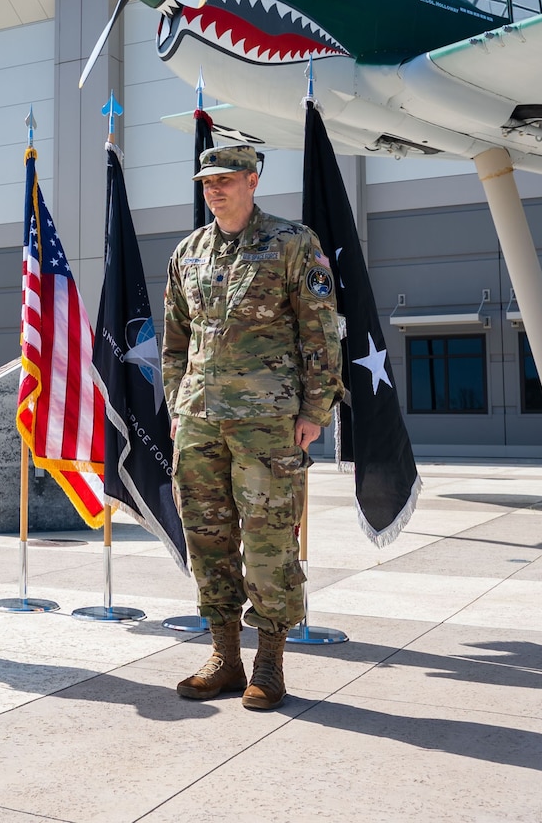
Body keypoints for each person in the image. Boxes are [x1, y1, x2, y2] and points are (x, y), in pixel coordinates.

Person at [162, 145, 340, 709]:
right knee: (207, 539)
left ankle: (269, 662)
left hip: (267, 422)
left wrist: (315, 410)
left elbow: (321, 333)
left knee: (268, 542)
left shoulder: (292, 242)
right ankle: (224, 656)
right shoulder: (188, 252)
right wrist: (177, 402)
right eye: (206, 181)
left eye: (225, 180)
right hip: (199, 423)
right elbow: (173, 341)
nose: (213, 189)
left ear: (252, 181)